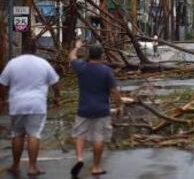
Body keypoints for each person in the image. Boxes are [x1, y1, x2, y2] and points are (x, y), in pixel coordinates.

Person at [0, 43, 60, 177]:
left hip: (17, 104)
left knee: (17, 134)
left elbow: (2, 84)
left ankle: (15, 166)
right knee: (34, 135)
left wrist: (3, 99)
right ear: (35, 50)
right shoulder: (43, 63)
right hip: (37, 104)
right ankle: (32, 167)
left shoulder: (12, 64)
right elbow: (55, 82)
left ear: (23, 49)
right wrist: (57, 97)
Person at [69, 41, 122, 178]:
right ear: (102, 55)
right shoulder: (106, 71)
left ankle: (80, 159)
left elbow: (71, 57)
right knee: (99, 137)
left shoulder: (81, 67)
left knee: (80, 135)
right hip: (101, 109)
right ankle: (96, 167)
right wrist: (119, 106)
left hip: (83, 108)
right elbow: (114, 91)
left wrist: (77, 47)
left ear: (88, 54)